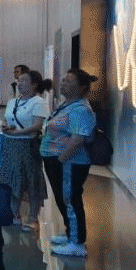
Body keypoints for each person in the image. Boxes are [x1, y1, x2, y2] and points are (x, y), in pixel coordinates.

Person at [40, 68, 98, 258]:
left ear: (82, 87)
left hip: (69, 162)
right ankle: (71, 234)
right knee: (63, 199)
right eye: (63, 80)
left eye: (69, 81)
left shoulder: (81, 109)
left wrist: (61, 159)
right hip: (58, 160)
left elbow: (78, 139)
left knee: (69, 199)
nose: (63, 83)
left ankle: (77, 243)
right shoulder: (68, 105)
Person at [0, 69, 51, 230]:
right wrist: (7, 128)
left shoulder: (39, 102)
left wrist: (18, 133)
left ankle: (33, 218)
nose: (19, 83)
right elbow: (8, 120)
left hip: (28, 145)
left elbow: (37, 125)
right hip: (10, 145)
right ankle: (15, 214)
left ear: (34, 84)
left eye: (24, 80)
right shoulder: (12, 102)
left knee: (31, 180)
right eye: (19, 80)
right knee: (12, 179)